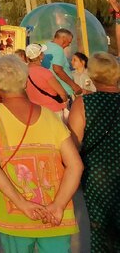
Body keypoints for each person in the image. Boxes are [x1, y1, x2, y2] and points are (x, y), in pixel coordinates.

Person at [0, 53, 82, 250]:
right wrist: (58, 205)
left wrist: (22, 204)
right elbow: (75, 165)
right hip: (56, 215)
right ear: (25, 81)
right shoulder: (50, 117)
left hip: (15, 213)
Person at [67, 52, 120, 253]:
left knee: (101, 228)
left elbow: (74, 143)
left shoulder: (84, 103)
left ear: (93, 76)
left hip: (98, 174)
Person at [24, 43, 69, 114]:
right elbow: (62, 94)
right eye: (42, 52)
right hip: (53, 110)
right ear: (40, 56)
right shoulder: (44, 72)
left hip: (35, 111)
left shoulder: (23, 72)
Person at [47, 29, 84, 101]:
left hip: (53, 90)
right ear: (63, 39)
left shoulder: (47, 46)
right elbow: (57, 70)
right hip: (64, 91)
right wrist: (74, 86)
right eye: (69, 42)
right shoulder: (58, 49)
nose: (68, 45)